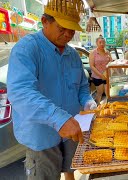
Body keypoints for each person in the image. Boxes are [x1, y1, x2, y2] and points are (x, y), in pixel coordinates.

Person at [6, 0, 97, 180]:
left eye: (72, 30)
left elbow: (81, 87)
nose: (68, 34)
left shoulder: (73, 56)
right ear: (44, 21)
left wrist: (87, 101)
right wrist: (58, 118)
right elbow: (20, 92)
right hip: (42, 136)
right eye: (62, 28)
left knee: (71, 170)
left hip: (72, 128)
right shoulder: (27, 49)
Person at [89, 37, 112, 104]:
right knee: (100, 92)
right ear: (97, 43)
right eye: (100, 42)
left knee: (108, 92)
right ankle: (97, 107)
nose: (102, 44)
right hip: (97, 76)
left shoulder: (107, 52)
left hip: (106, 76)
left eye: (103, 42)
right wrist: (100, 75)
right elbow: (92, 66)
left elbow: (111, 63)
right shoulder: (93, 53)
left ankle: (108, 107)